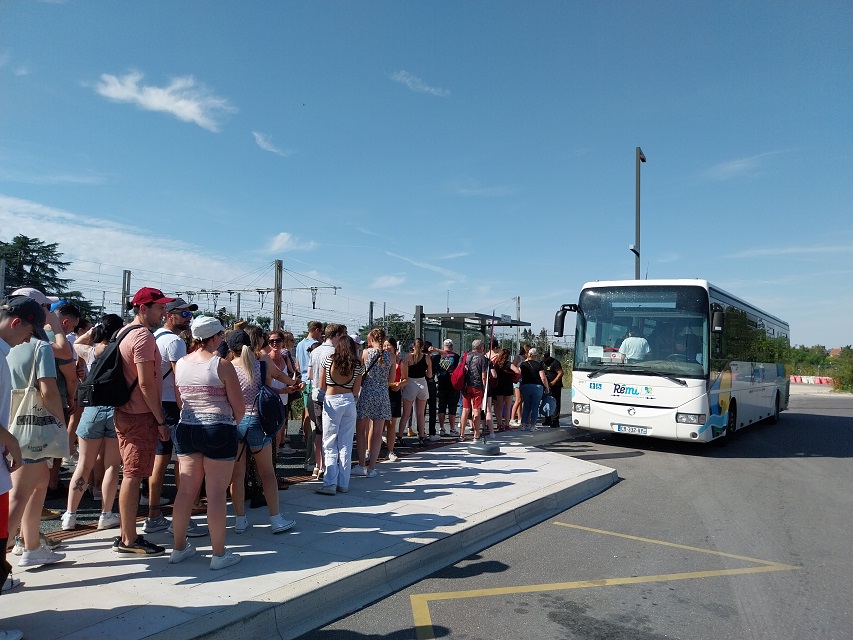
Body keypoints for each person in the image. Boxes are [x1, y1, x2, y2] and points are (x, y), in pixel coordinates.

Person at [169, 317, 244, 570]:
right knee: (215, 495)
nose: (222, 340)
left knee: (186, 492)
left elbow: (181, 402)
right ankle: (218, 554)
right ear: (213, 337)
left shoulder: (180, 364)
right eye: (221, 336)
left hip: (187, 428)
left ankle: (179, 548)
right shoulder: (221, 365)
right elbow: (239, 408)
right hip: (218, 430)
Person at [6, 302, 67, 568]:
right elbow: (49, 391)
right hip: (32, 428)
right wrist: (61, 424)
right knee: (19, 494)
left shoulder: (6, 347)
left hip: (8, 421)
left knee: (39, 483)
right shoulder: (40, 347)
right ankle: (6, 554)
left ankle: (31, 545)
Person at [113, 287, 173, 557]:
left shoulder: (122, 332)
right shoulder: (143, 337)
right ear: (142, 308)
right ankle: (129, 538)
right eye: (159, 307)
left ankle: (127, 533)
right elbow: (147, 383)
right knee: (132, 475)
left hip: (125, 410)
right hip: (139, 414)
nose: (164, 312)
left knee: (130, 472)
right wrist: (160, 419)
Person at [226, 329, 298, 534]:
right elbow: (287, 379)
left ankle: (240, 520)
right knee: (267, 473)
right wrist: (294, 383)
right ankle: (276, 519)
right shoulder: (261, 366)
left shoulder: (227, 367)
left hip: (235, 423)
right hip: (257, 422)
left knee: (237, 475)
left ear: (231, 349)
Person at [61, 314, 125, 533]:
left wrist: (94, 330)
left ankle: (69, 515)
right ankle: (106, 514)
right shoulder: (121, 351)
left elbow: (77, 343)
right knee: (111, 466)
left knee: (83, 465)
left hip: (92, 410)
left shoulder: (90, 352)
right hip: (115, 410)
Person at [145, 297, 200, 537]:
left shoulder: (154, 337)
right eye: (185, 314)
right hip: (173, 405)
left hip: (156, 403)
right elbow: (181, 380)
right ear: (170, 315)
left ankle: (153, 514)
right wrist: (188, 408)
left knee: (159, 461)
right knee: (181, 461)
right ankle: (183, 518)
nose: (189, 319)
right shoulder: (175, 342)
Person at [316, 335, 363, 495]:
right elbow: (356, 391)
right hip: (349, 401)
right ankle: (344, 483)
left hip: (332, 400)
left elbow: (321, 385)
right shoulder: (357, 365)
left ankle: (330, 483)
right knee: (346, 444)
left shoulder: (329, 361)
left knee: (329, 443)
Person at [307, 324, 345, 479]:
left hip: (316, 395)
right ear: (336, 335)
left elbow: (309, 374)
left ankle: (318, 466)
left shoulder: (315, 351)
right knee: (332, 434)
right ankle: (330, 467)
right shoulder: (335, 352)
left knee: (319, 431)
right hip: (331, 396)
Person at [355, 327, 394, 477]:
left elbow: (360, 374)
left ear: (371, 339)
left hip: (367, 392)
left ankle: (361, 464)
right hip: (383, 393)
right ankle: (372, 468)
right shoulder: (391, 357)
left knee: (361, 430)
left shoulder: (365, 353)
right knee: (378, 432)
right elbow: (391, 380)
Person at [295, 321, 322, 474]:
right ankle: (312, 460)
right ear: (317, 330)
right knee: (316, 426)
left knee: (310, 420)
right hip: (314, 383)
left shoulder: (299, 345)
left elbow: (298, 366)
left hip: (304, 383)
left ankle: (309, 459)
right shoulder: (317, 345)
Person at [399, 339, 432, 447]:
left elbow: (404, 372)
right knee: (421, 413)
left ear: (413, 346)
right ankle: (421, 437)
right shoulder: (427, 358)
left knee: (406, 413)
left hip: (410, 383)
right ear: (423, 347)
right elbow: (430, 375)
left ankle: (399, 436)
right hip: (422, 383)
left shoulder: (408, 357)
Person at [458, 339, 487, 441]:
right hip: (477, 386)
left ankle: (461, 434)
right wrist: (484, 389)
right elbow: (483, 376)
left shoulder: (465, 356)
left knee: (465, 410)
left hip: (466, 386)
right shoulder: (482, 358)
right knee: (476, 410)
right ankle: (476, 433)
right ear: (480, 348)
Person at [384, 337, 406, 462]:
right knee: (377, 424)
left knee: (391, 424)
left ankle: (390, 451)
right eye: (385, 345)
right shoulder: (379, 359)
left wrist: (399, 385)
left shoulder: (400, 362)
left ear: (394, 347)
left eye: (389, 345)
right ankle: (368, 450)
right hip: (381, 391)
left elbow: (405, 379)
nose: (387, 348)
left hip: (394, 392)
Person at [519, 348, 549, 431]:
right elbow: (543, 378)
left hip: (525, 386)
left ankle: (523, 425)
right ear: (535, 356)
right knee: (535, 407)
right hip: (537, 387)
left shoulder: (523, 364)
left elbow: (519, 375)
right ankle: (533, 425)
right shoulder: (539, 365)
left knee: (526, 407)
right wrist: (546, 387)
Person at [435, 339, 460, 436]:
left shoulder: (438, 357)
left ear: (443, 346)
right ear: (452, 347)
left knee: (441, 407)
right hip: (453, 385)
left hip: (441, 384)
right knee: (452, 407)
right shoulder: (456, 357)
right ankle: (452, 429)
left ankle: (441, 428)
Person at [492, 348, 516, 431]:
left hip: (499, 386)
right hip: (508, 386)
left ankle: (499, 424)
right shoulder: (509, 364)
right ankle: (506, 424)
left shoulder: (497, 364)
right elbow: (517, 371)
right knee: (508, 406)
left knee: (499, 407)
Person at [541, 353, 564, 427]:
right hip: (547, 386)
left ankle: (555, 421)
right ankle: (547, 419)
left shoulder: (555, 363)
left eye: (545, 359)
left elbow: (560, 373)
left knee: (555, 402)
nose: (544, 361)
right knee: (547, 402)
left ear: (548, 357)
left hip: (555, 385)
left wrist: (553, 382)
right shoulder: (542, 363)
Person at [509, 344, 529, 427]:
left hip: (524, 380)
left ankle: (520, 418)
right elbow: (512, 365)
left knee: (522, 400)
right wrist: (517, 372)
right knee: (518, 399)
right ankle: (512, 418)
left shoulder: (526, 359)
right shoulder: (519, 357)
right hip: (518, 380)